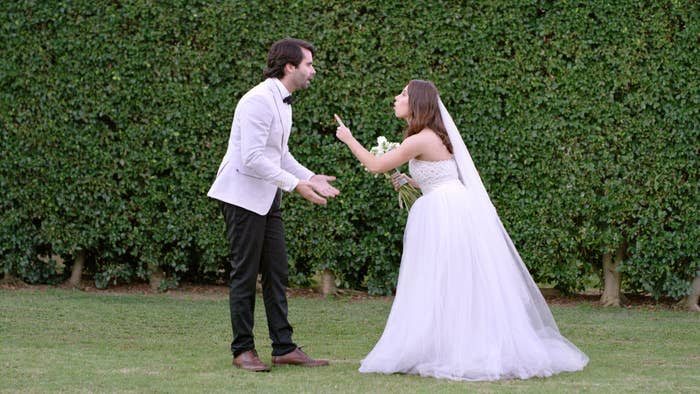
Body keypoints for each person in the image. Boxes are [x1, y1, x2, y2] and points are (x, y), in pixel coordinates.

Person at [334, 80, 589, 381]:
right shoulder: (429, 137)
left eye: (402, 94)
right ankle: (444, 344)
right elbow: (440, 176)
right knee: (447, 280)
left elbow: (376, 165)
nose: (396, 97)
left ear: (416, 103)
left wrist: (348, 138)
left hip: (444, 213)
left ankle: (452, 348)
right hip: (449, 205)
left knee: (443, 279)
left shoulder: (420, 139)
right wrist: (409, 182)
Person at [208, 38, 338, 372]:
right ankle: (242, 350)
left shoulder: (283, 103)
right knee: (245, 274)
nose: (313, 70)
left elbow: (278, 155)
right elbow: (251, 158)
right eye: (308, 64)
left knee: (277, 273)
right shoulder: (257, 100)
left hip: (267, 198)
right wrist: (297, 186)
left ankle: (283, 347)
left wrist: (310, 177)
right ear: (289, 66)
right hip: (241, 199)